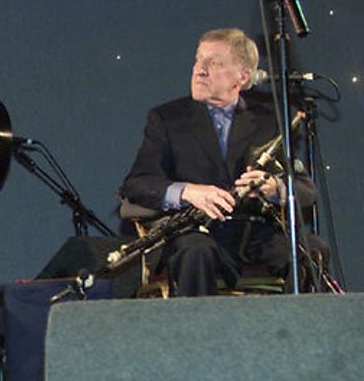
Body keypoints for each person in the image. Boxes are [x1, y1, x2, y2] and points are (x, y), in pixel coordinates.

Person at [120, 28, 316, 296]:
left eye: (214, 63)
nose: (200, 70)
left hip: (253, 234)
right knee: (196, 251)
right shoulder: (167, 119)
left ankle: (295, 324)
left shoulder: (270, 120)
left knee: (312, 251)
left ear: (243, 76)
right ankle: (200, 325)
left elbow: (306, 190)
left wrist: (275, 187)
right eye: (198, 60)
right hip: (195, 231)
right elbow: (137, 184)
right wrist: (188, 191)